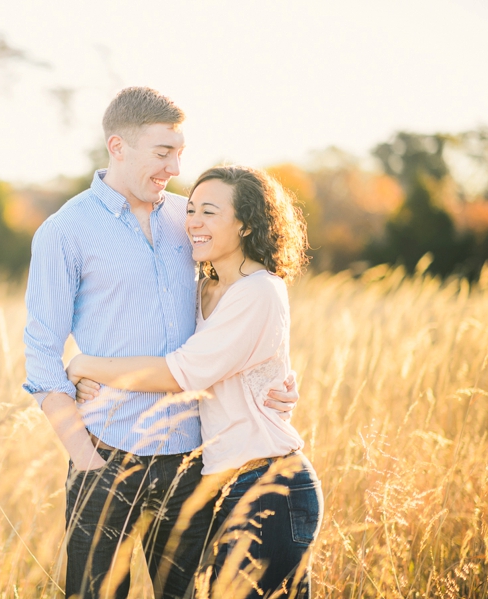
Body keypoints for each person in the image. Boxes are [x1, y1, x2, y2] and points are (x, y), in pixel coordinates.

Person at [23, 87, 300, 599]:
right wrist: (86, 461)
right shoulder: (65, 231)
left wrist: (275, 377)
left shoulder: (191, 218)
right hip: (108, 455)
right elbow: (41, 359)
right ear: (118, 146)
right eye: (163, 153)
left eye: (179, 152)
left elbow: (240, 307)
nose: (175, 166)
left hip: (193, 461)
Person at [66, 165, 323, 597]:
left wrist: (85, 366)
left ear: (244, 223)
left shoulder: (259, 290)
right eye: (190, 210)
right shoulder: (204, 287)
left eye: (209, 212)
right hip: (226, 487)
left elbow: (181, 372)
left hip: (269, 486)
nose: (193, 223)